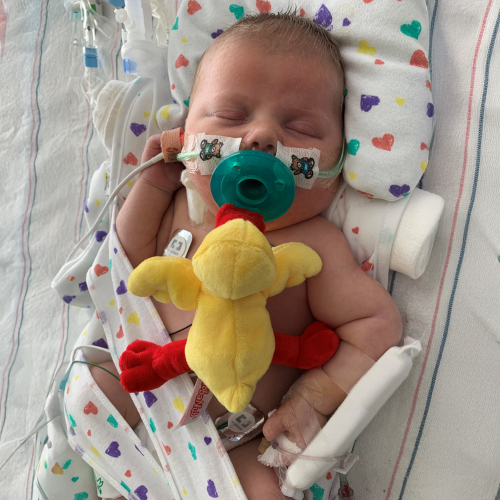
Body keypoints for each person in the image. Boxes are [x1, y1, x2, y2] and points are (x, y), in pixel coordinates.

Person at [91, 11, 402, 500]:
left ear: (339, 164)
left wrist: (313, 398)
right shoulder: (178, 207)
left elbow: (376, 327)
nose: (260, 138)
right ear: (185, 137)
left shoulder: (313, 244)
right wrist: (153, 181)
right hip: (141, 399)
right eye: (231, 117)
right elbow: (122, 269)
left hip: (241, 438)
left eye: (299, 126)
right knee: (89, 395)